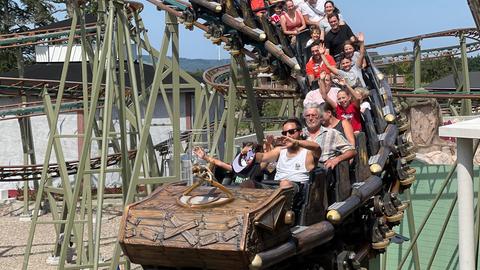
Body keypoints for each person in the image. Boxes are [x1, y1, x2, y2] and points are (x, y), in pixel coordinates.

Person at [255, 118, 321, 189]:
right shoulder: (280, 150)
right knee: (248, 183)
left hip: (297, 190)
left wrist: (295, 142)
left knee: (285, 183)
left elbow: (317, 147)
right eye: (284, 133)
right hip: (275, 187)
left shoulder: (308, 152)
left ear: (300, 132)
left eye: (291, 132)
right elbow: (262, 157)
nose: (287, 135)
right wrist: (248, 155)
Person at [302, 104, 356, 169]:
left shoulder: (332, 133)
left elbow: (352, 151)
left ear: (320, 117)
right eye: (307, 116)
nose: (310, 118)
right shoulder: (299, 134)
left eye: (314, 115)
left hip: (322, 173)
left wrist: (337, 159)